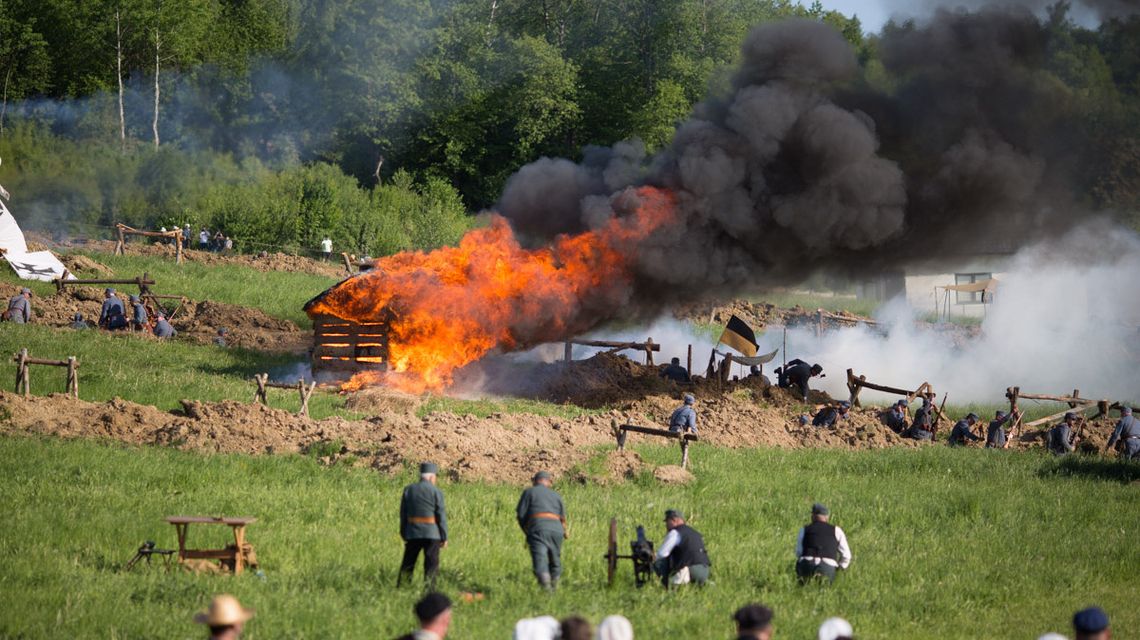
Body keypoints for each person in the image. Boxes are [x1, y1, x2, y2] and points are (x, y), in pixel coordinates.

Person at [398, 462, 448, 587]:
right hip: (432, 534)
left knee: (408, 562)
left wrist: (404, 533)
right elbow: (441, 516)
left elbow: (403, 515)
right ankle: (430, 589)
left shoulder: (409, 490)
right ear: (431, 477)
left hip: (413, 532)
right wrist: (444, 536)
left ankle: (403, 586)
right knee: (431, 563)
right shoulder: (436, 492)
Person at [516, 470, 567, 590]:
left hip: (538, 528)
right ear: (549, 482)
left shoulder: (529, 492)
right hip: (557, 530)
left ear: (534, 481)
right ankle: (555, 586)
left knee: (540, 559)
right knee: (555, 558)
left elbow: (521, 515)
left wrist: (527, 531)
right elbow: (563, 518)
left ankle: (547, 591)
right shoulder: (556, 495)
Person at [794, 503, 851, 584]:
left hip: (807, 566)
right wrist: (839, 569)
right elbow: (846, 556)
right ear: (827, 517)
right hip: (827, 568)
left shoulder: (804, 530)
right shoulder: (836, 531)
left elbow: (799, 552)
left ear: (812, 516)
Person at [653, 509, 710, 587]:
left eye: (667, 521)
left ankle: (669, 586)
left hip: (691, 569)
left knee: (658, 562)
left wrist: (651, 556)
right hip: (704, 571)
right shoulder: (695, 532)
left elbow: (662, 554)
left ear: (674, 520)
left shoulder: (675, 532)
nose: (666, 525)